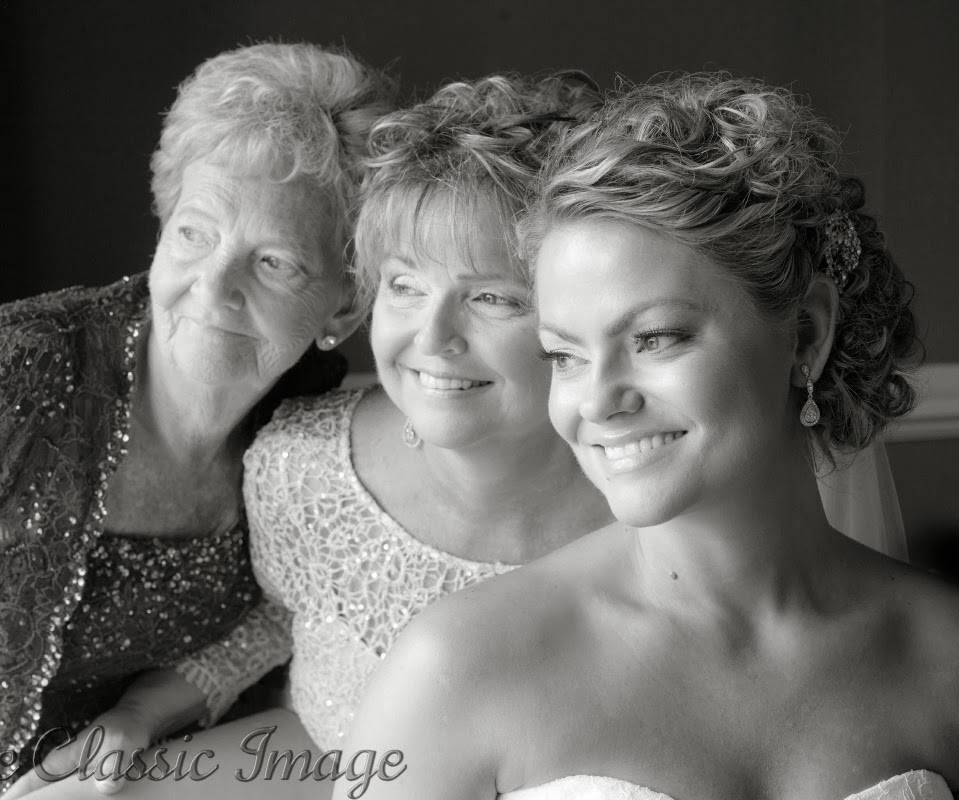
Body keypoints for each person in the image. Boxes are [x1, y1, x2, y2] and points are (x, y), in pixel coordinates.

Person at [341, 74, 958, 798]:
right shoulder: (455, 667)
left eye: (655, 338)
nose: (599, 401)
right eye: (564, 356)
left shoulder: (944, 655)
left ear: (807, 335)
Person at [0, 41, 393, 800]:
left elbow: (288, 615)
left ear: (344, 304)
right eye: (194, 234)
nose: (213, 288)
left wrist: (145, 712)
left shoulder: (310, 440)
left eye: (274, 262)